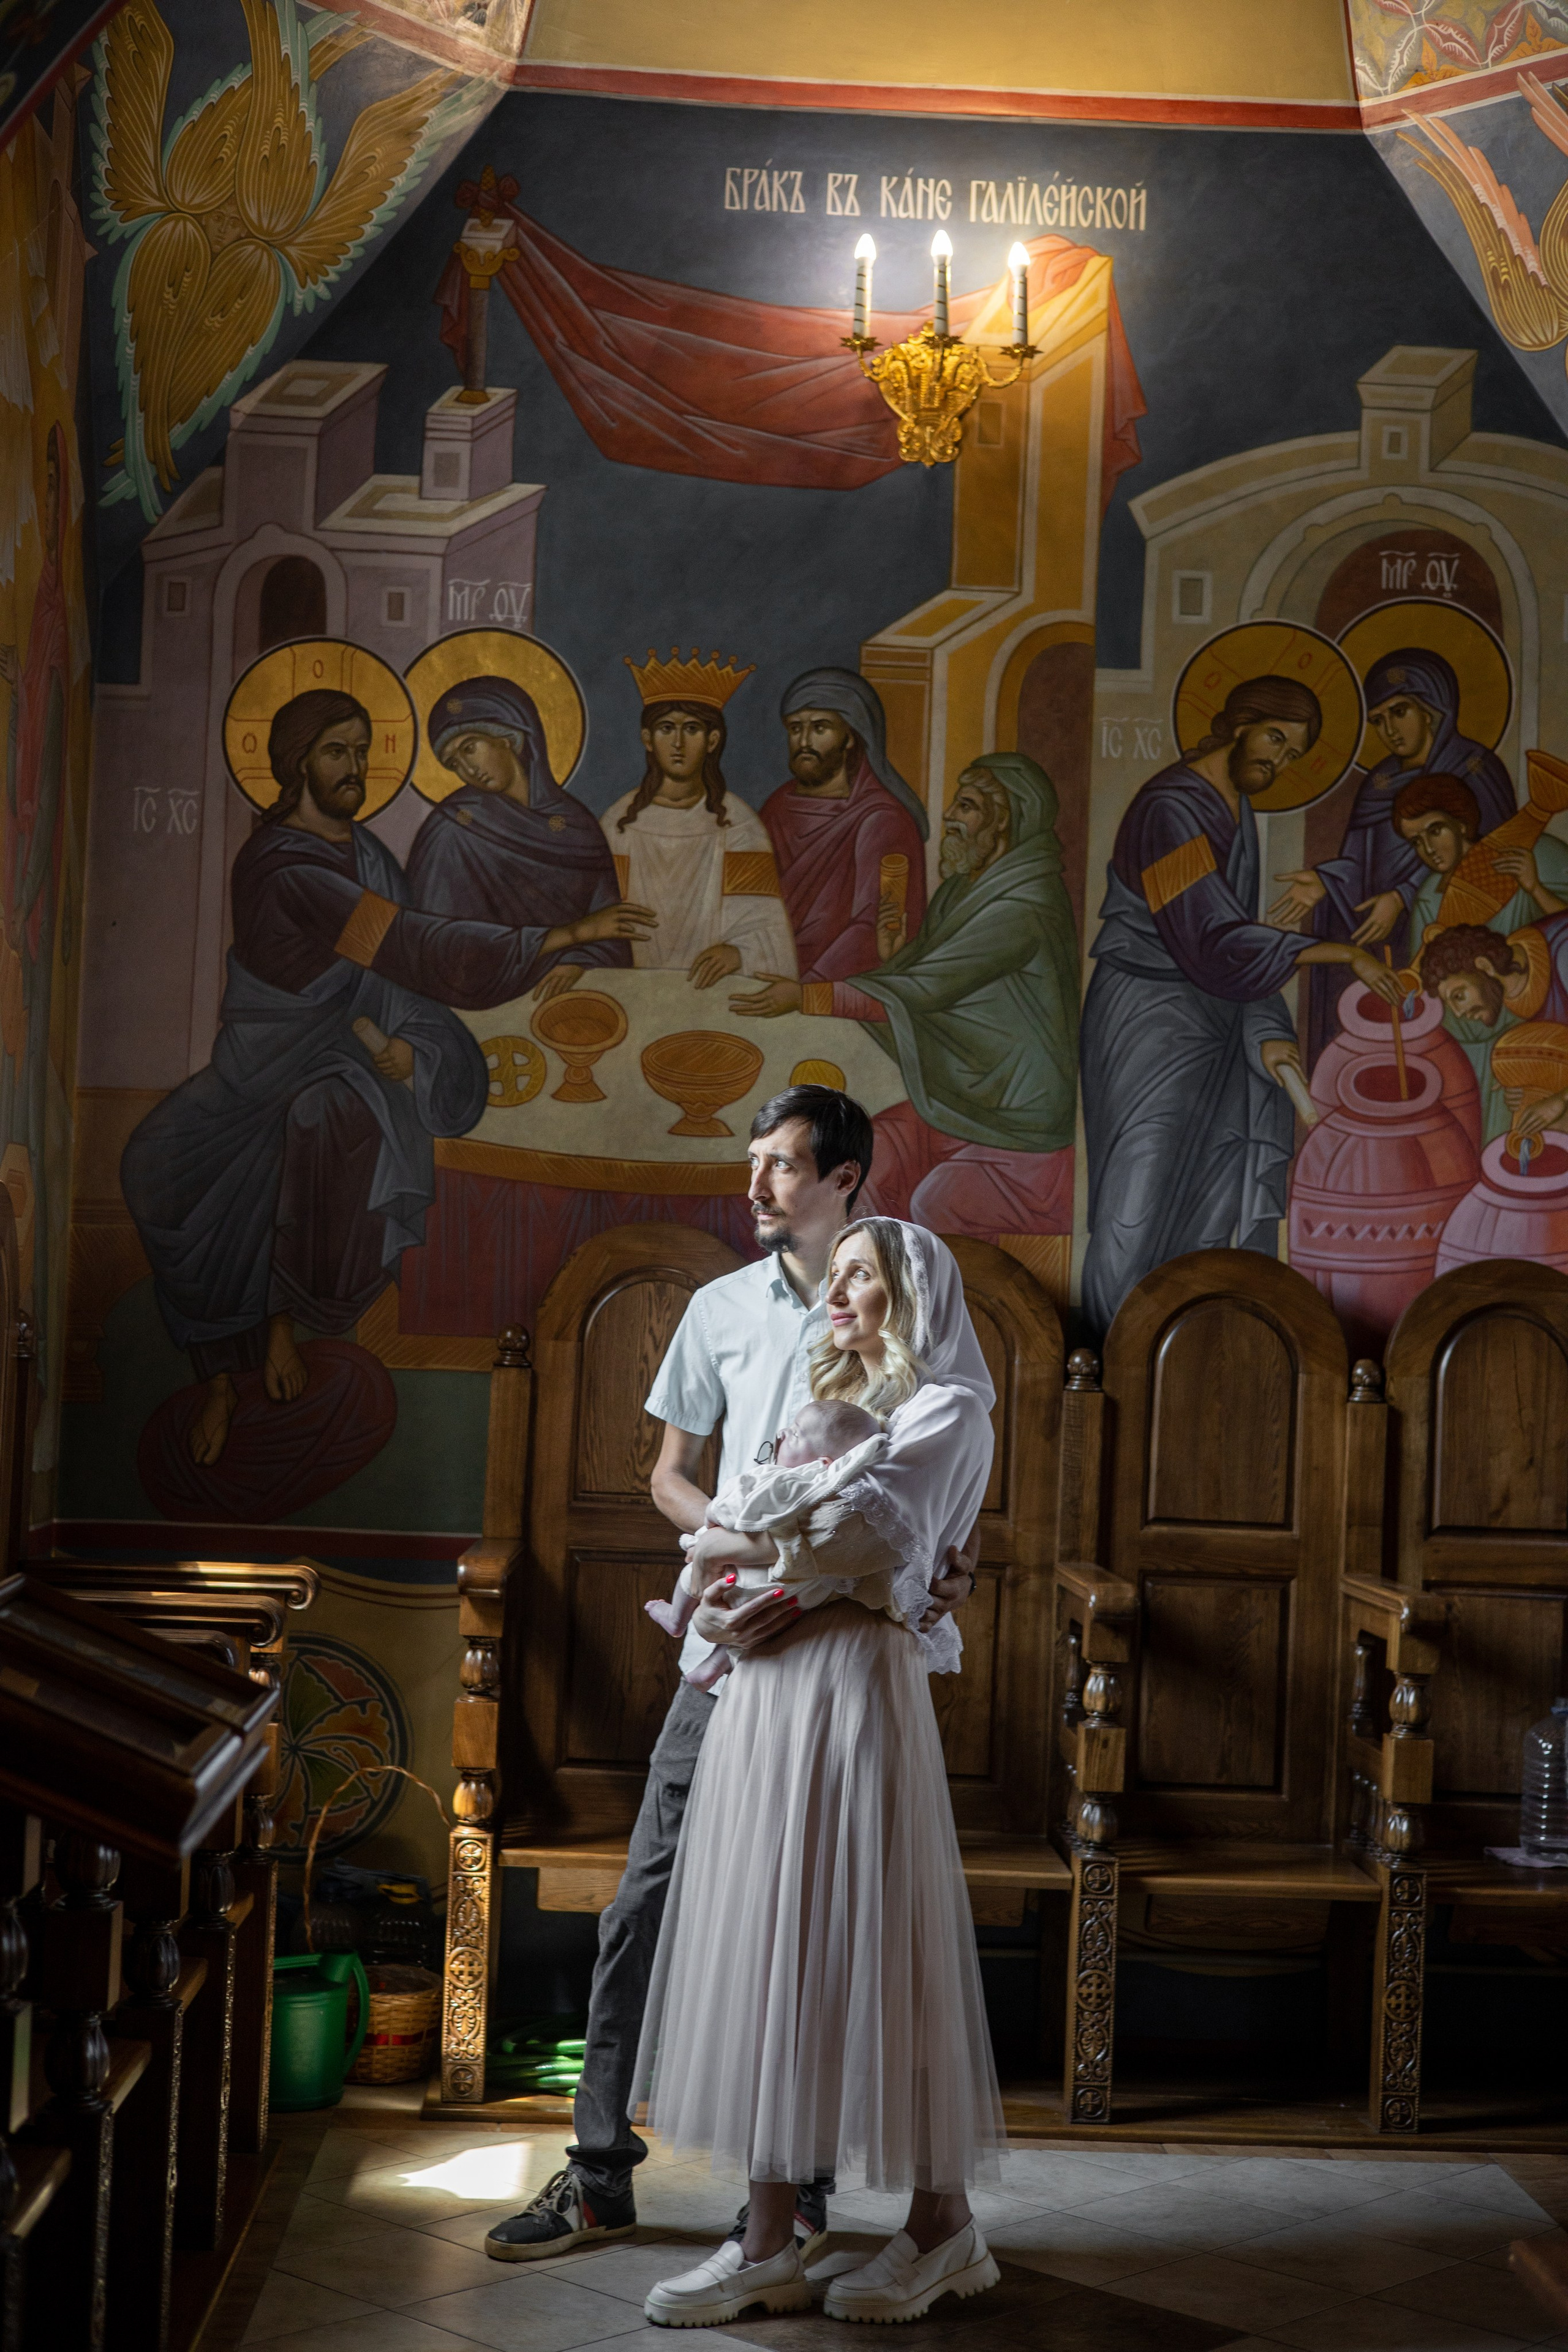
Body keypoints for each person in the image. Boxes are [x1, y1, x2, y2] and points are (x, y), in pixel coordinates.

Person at [483, 1087, 986, 2267]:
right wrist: (742, 1554)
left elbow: (930, 1496)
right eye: (750, 1160)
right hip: (729, 1649)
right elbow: (666, 1476)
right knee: (644, 1901)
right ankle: (600, 2171)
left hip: (840, 1659)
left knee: (814, 1920)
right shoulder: (718, 1309)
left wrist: (928, 1572)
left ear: (848, 1176)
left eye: (780, 1165)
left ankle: (797, 2198)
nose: (753, 1185)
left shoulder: (907, 1302)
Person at [121, 688, 652, 1468]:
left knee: (329, 1118)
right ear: (298, 763)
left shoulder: (367, 852)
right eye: (338, 751)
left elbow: (399, 980)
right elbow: (400, 942)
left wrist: (413, 1044)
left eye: (363, 750)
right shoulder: (283, 863)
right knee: (154, 1164)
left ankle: (281, 1326)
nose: (356, 767)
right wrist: (561, 935)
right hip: (263, 1060)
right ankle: (220, 1376)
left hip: (338, 1058)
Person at [636, 1218, 1006, 2331]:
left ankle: (943, 2229)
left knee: (882, 1946)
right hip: (768, 1698)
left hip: (852, 1699)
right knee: (771, 1947)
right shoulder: (825, 1400)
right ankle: (764, 2243)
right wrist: (779, 1572)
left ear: (910, 1293)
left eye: (859, 1276)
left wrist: (761, 1563)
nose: (837, 1293)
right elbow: (826, 1532)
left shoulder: (948, 1409)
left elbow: (859, 1535)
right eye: (833, 1274)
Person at [1080, 675, 1403, 1335]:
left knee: (1211, 1197)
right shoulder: (1169, 809)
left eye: (1291, 755)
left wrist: (1265, 1026)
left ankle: (1175, 1359)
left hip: (1217, 1026)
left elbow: (1227, 939)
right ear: (1239, 723)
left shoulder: (1235, 808)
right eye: (1275, 740)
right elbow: (1206, 937)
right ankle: (1107, 1358)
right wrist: (1342, 953)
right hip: (1149, 1021)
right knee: (1135, 1205)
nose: (1278, 762)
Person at [737, 753, 1077, 1237]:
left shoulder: (1026, 905)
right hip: (961, 1103)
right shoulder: (965, 889)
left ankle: (925, 1309)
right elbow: (920, 974)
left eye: (967, 806)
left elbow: (923, 990)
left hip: (1017, 1127)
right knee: (860, 1170)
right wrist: (896, 953)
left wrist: (804, 997)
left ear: (1004, 823)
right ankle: (867, 1294)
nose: (951, 817)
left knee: (937, 1203)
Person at [1270, 646, 1515, 1065]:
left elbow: (1489, 859)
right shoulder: (1380, 783)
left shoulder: (1476, 769)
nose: (1390, 730)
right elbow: (1359, 861)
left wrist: (1402, 896)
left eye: (1400, 712)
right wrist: (1326, 880)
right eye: (1379, 721)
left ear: (1432, 709)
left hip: (1453, 938)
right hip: (1382, 942)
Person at [404, 674, 652, 1005]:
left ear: (508, 738)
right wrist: (569, 937)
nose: (467, 769)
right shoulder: (452, 830)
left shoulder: (575, 823)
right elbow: (436, 945)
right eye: (453, 763)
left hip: (568, 997)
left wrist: (579, 962)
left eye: (469, 748)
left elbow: (610, 924)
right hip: (481, 1008)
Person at [647, 1396, 886, 1689]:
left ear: (823, 1463)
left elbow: (733, 1505)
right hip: (796, 1595)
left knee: (692, 1577)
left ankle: (675, 1618)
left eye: (795, 1433)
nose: (783, 1434)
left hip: (743, 1579)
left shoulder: (778, 1480)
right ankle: (712, 1666)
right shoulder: (835, 1492)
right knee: (759, 1624)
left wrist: (713, 1521)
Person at [601, 655, 796, 986]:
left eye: (691, 729)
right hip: (632, 988)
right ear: (648, 739)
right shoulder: (619, 823)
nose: (678, 743)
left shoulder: (738, 824)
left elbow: (765, 927)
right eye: (667, 729)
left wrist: (738, 953)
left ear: (713, 740)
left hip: (713, 991)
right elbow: (597, 919)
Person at [760, 668, 929, 984]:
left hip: (833, 989)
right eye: (796, 729)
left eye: (820, 728)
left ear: (850, 736)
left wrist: (807, 991)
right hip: (763, 973)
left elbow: (872, 927)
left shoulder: (882, 819)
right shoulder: (777, 806)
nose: (805, 741)